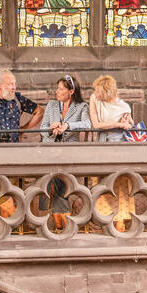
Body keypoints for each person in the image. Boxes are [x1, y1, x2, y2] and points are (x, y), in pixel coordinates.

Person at [39, 74, 91, 229]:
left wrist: (67, 125)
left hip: (68, 152)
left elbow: (88, 124)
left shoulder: (82, 107)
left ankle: (62, 227)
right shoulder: (52, 105)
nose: (57, 91)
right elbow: (43, 129)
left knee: (59, 186)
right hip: (50, 151)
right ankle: (61, 227)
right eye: (57, 88)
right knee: (52, 186)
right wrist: (52, 128)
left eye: (61, 89)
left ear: (71, 91)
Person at [89, 74, 133, 142]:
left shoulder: (124, 107)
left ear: (106, 92)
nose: (95, 93)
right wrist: (119, 124)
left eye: (98, 91)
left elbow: (130, 125)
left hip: (119, 140)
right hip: (102, 139)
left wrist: (126, 124)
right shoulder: (94, 98)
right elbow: (96, 124)